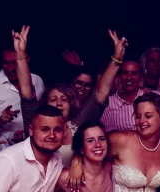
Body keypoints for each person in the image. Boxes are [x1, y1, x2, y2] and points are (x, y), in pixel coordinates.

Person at [17, 26, 126, 163]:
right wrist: (20, 55)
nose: (58, 103)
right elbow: (26, 88)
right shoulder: (34, 122)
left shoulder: (78, 123)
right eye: (53, 99)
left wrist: (116, 58)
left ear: (71, 105)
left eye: (64, 99)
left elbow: (100, 91)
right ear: (46, 103)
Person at [0, 44, 44, 142]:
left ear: (26, 60)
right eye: (6, 63)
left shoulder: (37, 81)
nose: (10, 68)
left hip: (36, 145)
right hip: (2, 151)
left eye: (14, 63)